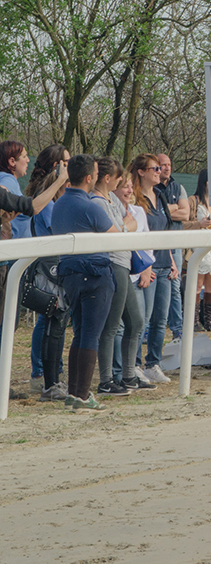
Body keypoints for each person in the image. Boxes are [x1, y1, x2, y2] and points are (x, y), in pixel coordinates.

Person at [52, 154, 120, 411]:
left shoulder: (59, 204)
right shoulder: (91, 206)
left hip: (69, 274)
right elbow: (117, 238)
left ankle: (74, 393)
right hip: (94, 274)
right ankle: (81, 395)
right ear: (90, 178)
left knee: (79, 334)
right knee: (91, 335)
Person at [14, 146, 70, 399]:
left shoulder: (52, 195)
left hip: (54, 262)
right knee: (49, 317)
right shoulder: (45, 196)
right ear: (57, 165)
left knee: (51, 319)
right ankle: (42, 375)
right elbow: (55, 227)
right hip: (47, 265)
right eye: (67, 162)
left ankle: (49, 374)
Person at [93, 157, 137, 397]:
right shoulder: (97, 202)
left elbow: (131, 221)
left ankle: (128, 375)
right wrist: (123, 227)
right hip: (113, 263)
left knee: (136, 321)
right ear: (108, 178)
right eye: (119, 177)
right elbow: (117, 230)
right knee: (111, 326)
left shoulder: (112, 199)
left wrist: (122, 227)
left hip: (125, 263)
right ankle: (106, 379)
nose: (123, 182)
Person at [130, 153, 175, 385]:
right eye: (154, 168)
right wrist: (145, 266)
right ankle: (134, 364)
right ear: (141, 172)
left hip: (164, 263)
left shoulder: (160, 195)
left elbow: (164, 230)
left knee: (161, 318)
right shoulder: (135, 199)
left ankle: (153, 363)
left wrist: (173, 261)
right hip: (146, 265)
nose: (159, 172)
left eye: (159, 168)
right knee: (143, 318)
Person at [114, 174, 156, 392]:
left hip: (136, 273)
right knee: (118, 327)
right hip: (118, 272)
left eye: (131, 187)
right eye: (124, 187)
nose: (129, 191)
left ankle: (131, 371)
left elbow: (146, 241)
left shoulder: (139, 211)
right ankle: (117, 372)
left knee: (139, 323)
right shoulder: (109, 208)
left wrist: (146, 270)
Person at [156, 153, 189, 343]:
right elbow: (151, 212)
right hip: (156, 245)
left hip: (175, 244)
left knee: (175, 287)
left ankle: (178, 330)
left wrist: (164, 210)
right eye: (162, 165)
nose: (167, 168)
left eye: (169, 164)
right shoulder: (151, 188)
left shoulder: (179, 187)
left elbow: (185, 214)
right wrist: (174, 208)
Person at [191, 169, 211, 332]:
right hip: (201, 244)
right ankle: (194, 320)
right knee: (197, 283)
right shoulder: (195, 201)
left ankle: (209, 320)